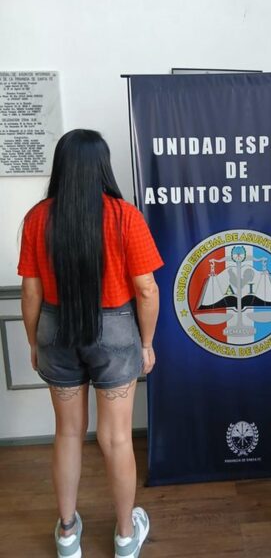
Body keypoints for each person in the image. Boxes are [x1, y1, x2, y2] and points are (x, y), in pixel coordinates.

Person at [18, 129, 163, 558]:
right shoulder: (125, 216)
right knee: (116, 439)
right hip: (115, 332)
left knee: (67, 433)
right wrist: (147, 343)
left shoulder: (38, 217)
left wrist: (33, 341)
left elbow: (30, 291)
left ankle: (67, 534)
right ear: (102, 165)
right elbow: (147, 289)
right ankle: (125, 536)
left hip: (55, 329)